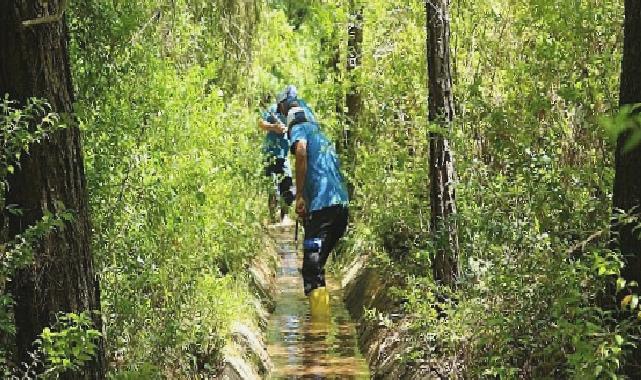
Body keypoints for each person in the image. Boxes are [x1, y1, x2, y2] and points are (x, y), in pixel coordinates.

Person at [285, 98, 349, 319]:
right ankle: (320, 322)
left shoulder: (299, 129)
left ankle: (319, 332)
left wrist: (300, 195)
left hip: (325, 209)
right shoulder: (322, 138)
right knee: (317, 266)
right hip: (340, 209)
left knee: (312, 268)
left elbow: (301, 152)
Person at [258, 85, 299, 224]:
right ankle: (272, 218)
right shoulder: (273, 109)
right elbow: (261, 123)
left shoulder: (293, 114)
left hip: (284, 156)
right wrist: (273, 127)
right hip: (269, 154)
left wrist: (288, 130)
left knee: (287, 187)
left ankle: (284, 217)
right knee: (272, 187)